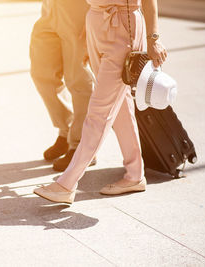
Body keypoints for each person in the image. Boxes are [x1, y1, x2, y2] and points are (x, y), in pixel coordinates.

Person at [34, 0, 167, 204]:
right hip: (96, 21)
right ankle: (135, 174)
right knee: (121, 105)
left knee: (99, 110)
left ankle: (66, 184)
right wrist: (90, 29)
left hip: (122, 25)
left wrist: (153, 38)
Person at [30, 0, 96, 171]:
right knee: (42, 73)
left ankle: (82, 145)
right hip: (49, 8)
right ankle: (67, 131)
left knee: (78, 78)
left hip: (78, 9)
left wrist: (95, 15)